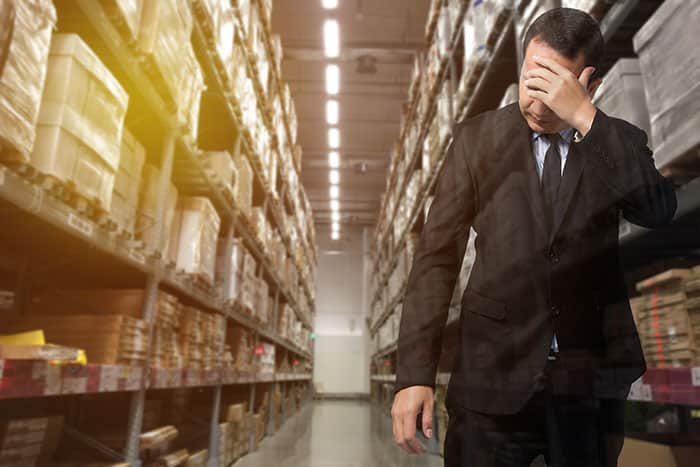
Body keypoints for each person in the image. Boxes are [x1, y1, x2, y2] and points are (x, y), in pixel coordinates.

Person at [391, 7, 677, 467]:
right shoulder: (475, 140)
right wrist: (413, 376)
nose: (538, 104)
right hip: (491, 380)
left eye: (554, 87)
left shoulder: (615, 141)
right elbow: (436, 260)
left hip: (589, 384)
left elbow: (658, 210)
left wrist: (585, 116)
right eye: (530, 80)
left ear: (591, 84)